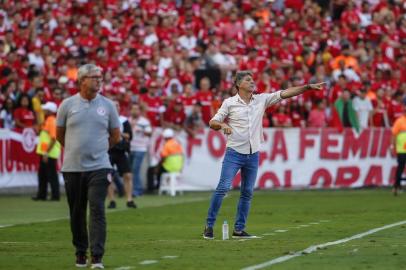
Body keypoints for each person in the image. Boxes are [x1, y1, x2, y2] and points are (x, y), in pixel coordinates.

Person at [203, 70, 325, 239]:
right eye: (248, 80)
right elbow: (213, 122)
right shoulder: (229, 103)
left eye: (253, 79)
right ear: (238, 84)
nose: (252, 82)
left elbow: (285, 93)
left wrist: (307, 87)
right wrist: (223, 126)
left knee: (247, 192)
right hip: (234, 153)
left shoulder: (261, 99)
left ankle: (239, 230)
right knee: (223, 188)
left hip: (253, 154)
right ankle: (209, 226)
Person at [56, 64, 121, 269]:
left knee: (97, 208)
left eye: (101, 77)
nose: (99, 80)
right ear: (82, 80)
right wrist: (76, 150)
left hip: (100, 166)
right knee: (76, 212)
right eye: (94, 77)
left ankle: (97, 256)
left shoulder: (108, 105)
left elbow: (116, 135)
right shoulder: (67, 105)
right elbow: (60, 134)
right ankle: (80, 251)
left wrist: (99, 150)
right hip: (72, 167)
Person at [107, 101, 136, 209]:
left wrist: (117, 133)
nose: (116, 107)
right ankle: (112, 200)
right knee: (108, 176)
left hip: (121, 150)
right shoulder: (105, 120)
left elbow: (129, 136)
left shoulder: (124, 120)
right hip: (109, 150)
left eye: (118, 105)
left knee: (127, 175)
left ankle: (129, 199)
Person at [33, 102, 61, 201]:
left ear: (49, 111)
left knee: (51, 175)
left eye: (45, 109)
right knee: (43, 174)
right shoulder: (48, 120)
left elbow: (53, 139)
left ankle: (55, 195)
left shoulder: (52, 121)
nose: (43, 110)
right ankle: (42, 194)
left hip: (49, 153)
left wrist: (46, 152)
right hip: (46, 152)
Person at [129, 103, 152, 197]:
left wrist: (141, 130)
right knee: (130, 170)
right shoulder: (128, 120)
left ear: (140, 111)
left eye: (136, 109)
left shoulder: (144, 121)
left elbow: (149, 133)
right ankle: (133, 189)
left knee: (135, 169)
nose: (135, 111)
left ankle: (137, 190)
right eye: (133, 109)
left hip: (140, 148)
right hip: (130, 148)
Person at [391, 100, 406, 196]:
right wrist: (392, 146)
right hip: (401, 149)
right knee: (400, 168)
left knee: (400, 168)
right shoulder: (400, 121)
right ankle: (396, 187)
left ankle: (397, 187)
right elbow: (394, 134)